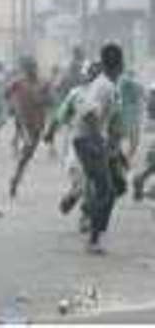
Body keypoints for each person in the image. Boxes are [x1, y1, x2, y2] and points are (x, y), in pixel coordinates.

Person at [70, 43, 125, 254]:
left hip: (86, 139)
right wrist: (98, 142)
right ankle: (93, 238)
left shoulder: (105, 84)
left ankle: (89, 217)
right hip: (87, 140)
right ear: (120, 65)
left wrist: (111, 148)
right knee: (107, 191)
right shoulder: (105, 86)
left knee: (114, 188)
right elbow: (90, 112)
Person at [43, 61, 102, 231]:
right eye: (92, 74)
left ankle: (80, 204)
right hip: (78, 146)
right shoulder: (76, 94)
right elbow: (60, 115)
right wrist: (50, 132)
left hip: (100, 146)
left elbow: (116, 123)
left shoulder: (110, 96)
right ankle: (81, 206)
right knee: (85, 181)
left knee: (94, 183)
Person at [7, 56, 53, 198]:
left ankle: (15, 178)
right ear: (25, 70)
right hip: (23, 122)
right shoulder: (18, 82)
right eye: (29, 68)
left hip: (38, 124)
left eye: (34, 67)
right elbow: (6, 93)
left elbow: (51, 100)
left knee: (28, 154)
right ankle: (15, 179)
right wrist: (13, 105)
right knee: (27, 149)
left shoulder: (44, 83)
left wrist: (41, 100)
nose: (32, 70)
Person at [118, 69, 144, 163]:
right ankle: (127, 160)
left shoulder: (123, 83)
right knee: (133, 141)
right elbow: (141, 91)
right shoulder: (128, 83)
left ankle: (127, 159)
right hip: (131, 117)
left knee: (133, 142)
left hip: (130, 116)